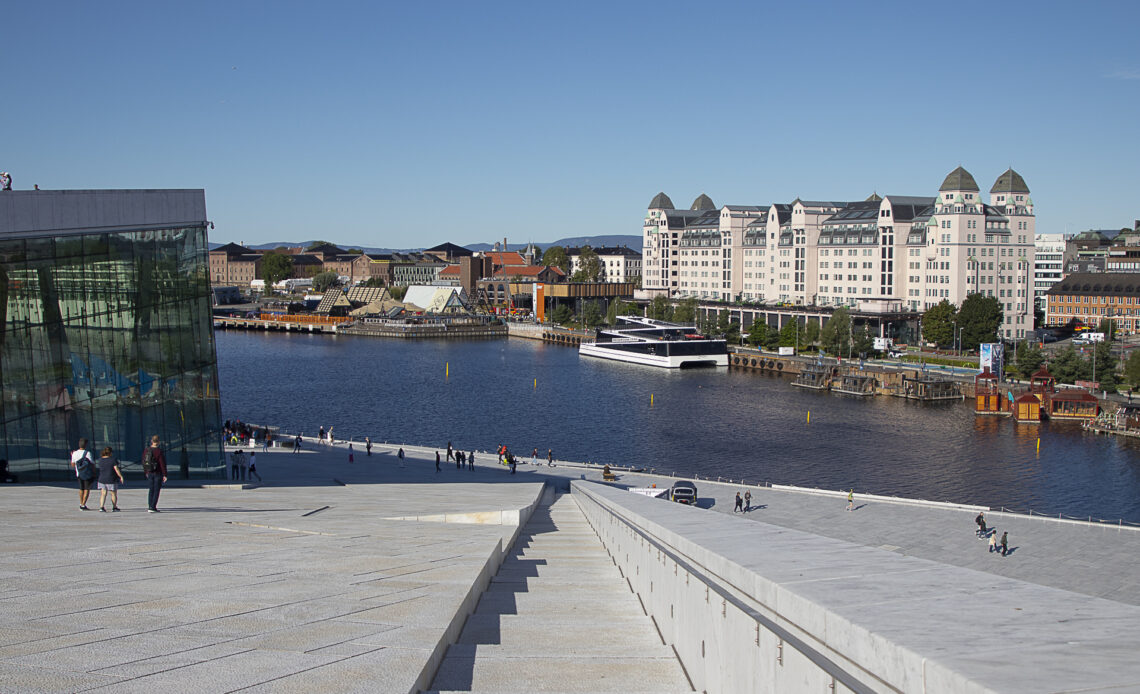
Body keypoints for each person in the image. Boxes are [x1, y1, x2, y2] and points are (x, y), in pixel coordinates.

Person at [143, 435, 167, 513]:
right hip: (157, 472)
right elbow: (162, 463)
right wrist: (165, 474)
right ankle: (153, 507)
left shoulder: (146, 450)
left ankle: (150, 505)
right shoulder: (159, 451)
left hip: (149, 472)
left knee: (151, 489)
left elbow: (143, 461)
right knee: (156, 490)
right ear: (158, 442)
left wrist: (146, 471)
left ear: (151, 441)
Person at [71, 438, 97, 510]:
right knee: (87, 489)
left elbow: (73, 465)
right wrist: (94, 473)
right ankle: (83, 504)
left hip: (79, 474)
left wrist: (72, 456)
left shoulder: (74, 453)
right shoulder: (87, 453)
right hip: (87, 474)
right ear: (85, 445)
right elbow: (92, 464)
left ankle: (81, 502)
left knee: (81, 489)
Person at [96, 446, 125, 512]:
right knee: (113, 494)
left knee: (103, 493)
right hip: (111, 479)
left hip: (102, 479)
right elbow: (116, 469)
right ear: (110, 453)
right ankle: (114, 507)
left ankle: (101, 507)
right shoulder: (113, 460)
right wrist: (121, 476)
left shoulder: (100, 460)